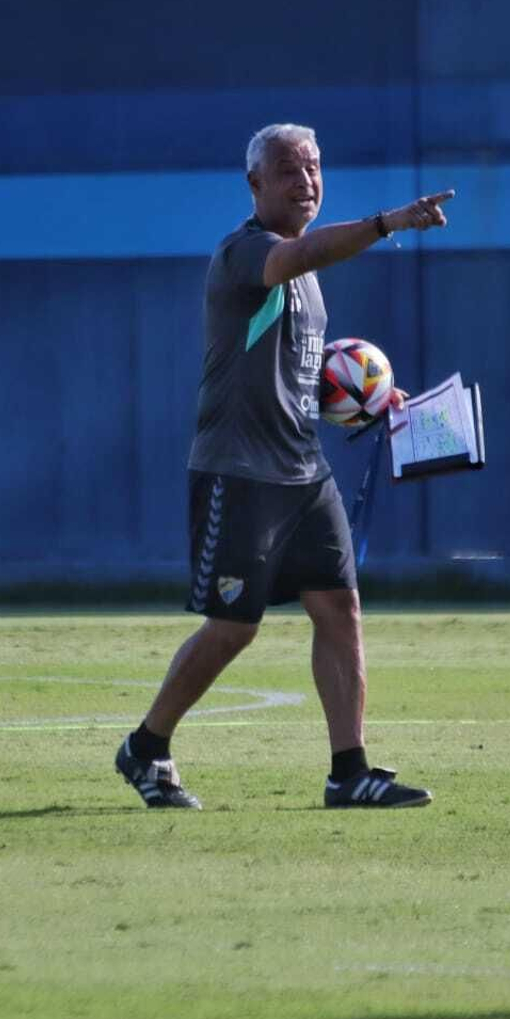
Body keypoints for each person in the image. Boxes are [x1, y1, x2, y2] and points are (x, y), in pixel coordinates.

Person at [115, 122, 454, 810]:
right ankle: (146, 746)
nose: (307, 181)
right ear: (255, 184)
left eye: (315, 168)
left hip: (303, 472)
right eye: (289, 170)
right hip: (239, 472)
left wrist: (378, 399)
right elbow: (294, 261)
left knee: (340, 607)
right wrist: (388, 222)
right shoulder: (246, 253)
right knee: (234, 626)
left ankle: (348, 771)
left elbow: (304, 377)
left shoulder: (307, 281)